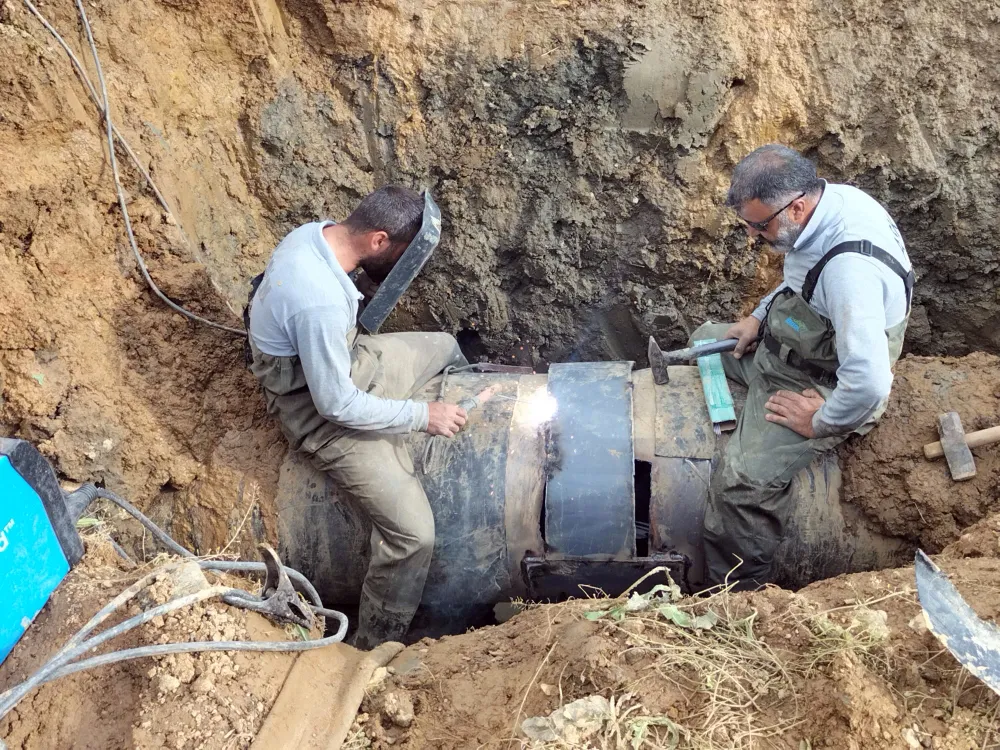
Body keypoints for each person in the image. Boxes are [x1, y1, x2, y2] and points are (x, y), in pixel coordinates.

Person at [246, 186, 469, 647]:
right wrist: (420, 416)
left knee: (445, 345)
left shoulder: (316, 235)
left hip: (345, 360)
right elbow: (336, 405)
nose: (402, 267)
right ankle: (370, 646)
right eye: (401, 255)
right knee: (414, 536)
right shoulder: (320, 303)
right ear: (379, 240)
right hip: (316, 413)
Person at [690, 144, 915, 589]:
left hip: (821, 379)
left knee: (741, 485)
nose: (753, 237)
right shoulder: (823, 208)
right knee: (705, 340)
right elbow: (799, 281)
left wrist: (821, 420)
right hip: (789, 344)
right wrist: (757, 318)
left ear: (795, 207)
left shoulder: (851, 272)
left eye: (759, 225)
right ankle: (754, 381)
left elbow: (868, 381)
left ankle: (738, 595)